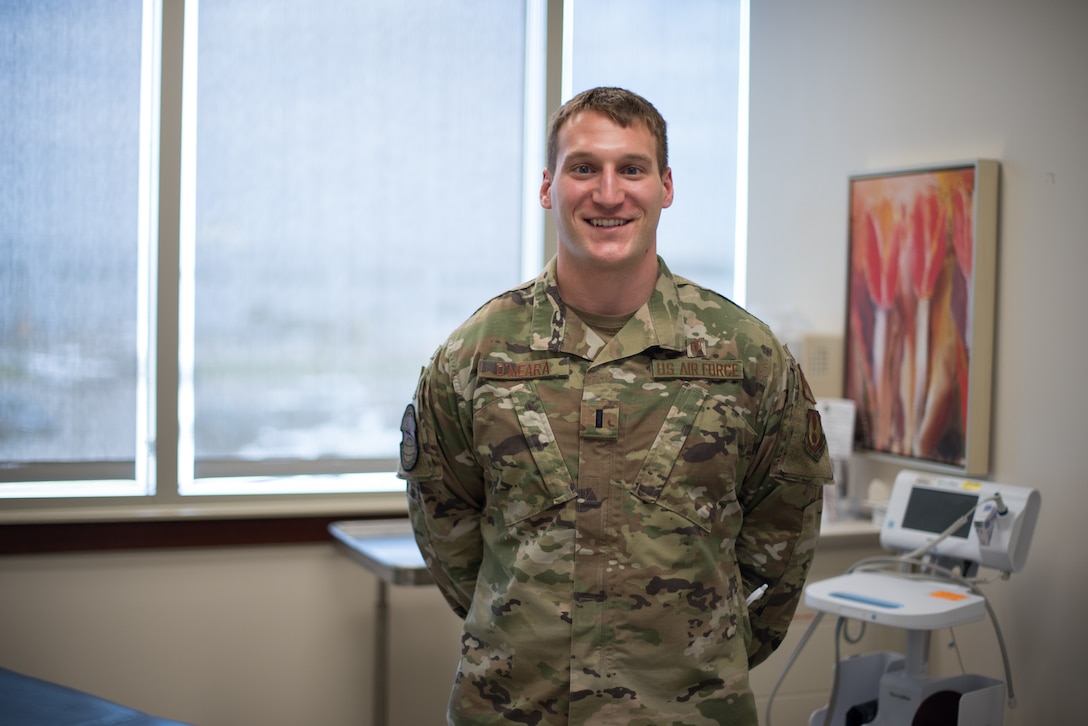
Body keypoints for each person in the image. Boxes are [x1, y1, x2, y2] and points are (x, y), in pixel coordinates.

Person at [398, 86, 833, 725]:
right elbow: (446, 532)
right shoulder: (476, 354)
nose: (608, 194)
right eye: (584, 168)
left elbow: (783, 537)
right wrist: (525, 628)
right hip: (516, 708)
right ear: (548, 187)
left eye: (632, 168)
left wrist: (701, 651)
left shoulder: (746, 356)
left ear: (666, 187)